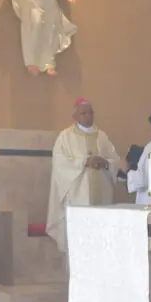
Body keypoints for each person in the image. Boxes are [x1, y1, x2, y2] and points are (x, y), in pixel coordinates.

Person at [47, 98, 121, 253]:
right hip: (78, 197)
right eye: (84, 113)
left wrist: (105, 163)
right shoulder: (65, 137)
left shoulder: (102, 136)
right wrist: (84, 162)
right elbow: (60, 163)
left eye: (91, 113)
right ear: (75, 116)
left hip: (102, 198)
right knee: (80, 242)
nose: (88, 116)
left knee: (100, 240)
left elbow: (115, 161)